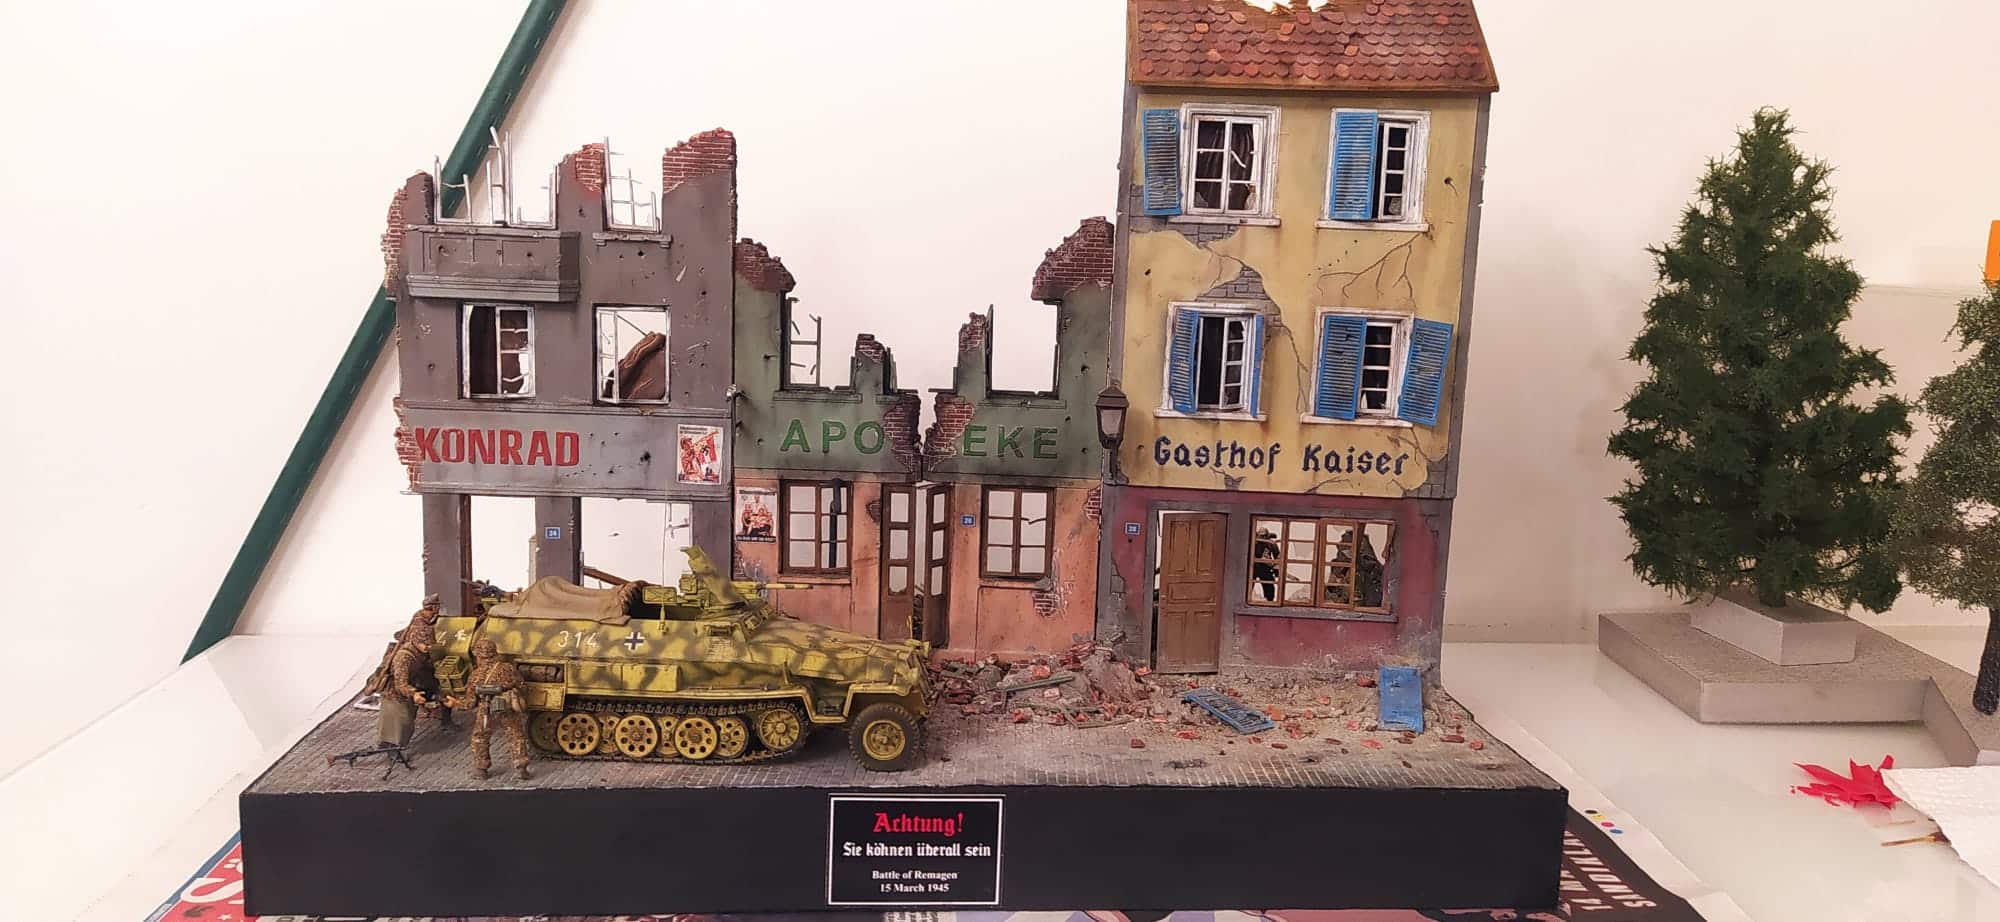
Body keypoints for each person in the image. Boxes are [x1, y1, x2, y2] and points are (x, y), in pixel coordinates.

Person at [449, 635, 531, 781]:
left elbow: (469, 703)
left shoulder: (476, 676)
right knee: (516, 735)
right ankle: (521, 767)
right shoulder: (507, 669)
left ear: (479, 656)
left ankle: (481, 769)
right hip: (506, 707)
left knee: (480, 737)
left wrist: (455, 703)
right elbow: (522, 686)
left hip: (486, 709)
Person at [377, 620, 436, 750]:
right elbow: (400, 683)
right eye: (425, 644)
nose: (428, 647)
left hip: (407, 690)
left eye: (430, 644)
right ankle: (391, 749)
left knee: (405, 721)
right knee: (398, 722)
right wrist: (414, 694)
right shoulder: (404, 657)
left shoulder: (420, 652)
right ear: (415, 642)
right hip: (394, 693)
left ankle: (395, 746)